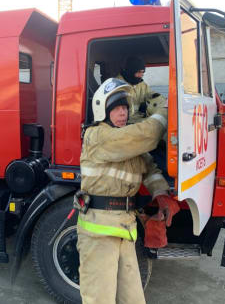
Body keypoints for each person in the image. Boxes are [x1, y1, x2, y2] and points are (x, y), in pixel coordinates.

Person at [76, 78, 178, 304]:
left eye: (125, 108)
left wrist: (160, 194)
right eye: (116, 108)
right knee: (99, 299)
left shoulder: (128, 142)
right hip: (99, 233)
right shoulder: (98, 136)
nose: (123, 113)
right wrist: (166, 111)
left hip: (125, 228)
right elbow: (148, 134)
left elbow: (149, 168)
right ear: (103, 110)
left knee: (133, 299)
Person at [117, 56, 154, 123]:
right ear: (131, 71)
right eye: (139, 72)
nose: (141, 75)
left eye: (143, 72)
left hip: (139, 119)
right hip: (124, 123)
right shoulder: (117, 85)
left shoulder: (141, 84)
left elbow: (153, 96)